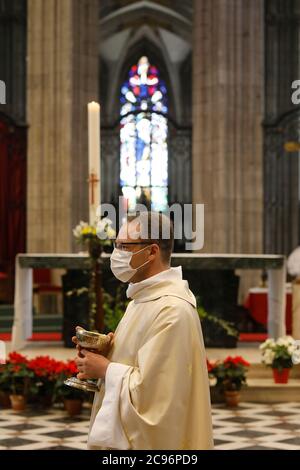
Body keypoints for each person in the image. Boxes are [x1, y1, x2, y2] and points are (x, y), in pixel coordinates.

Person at [73, 211, 213, 450]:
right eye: (115, 245)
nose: (116, 254)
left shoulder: (172, 310)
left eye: (124, 246)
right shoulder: (143, 298)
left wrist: (106, 368)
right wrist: (108, 352)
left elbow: (157, 399)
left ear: (152, 251)